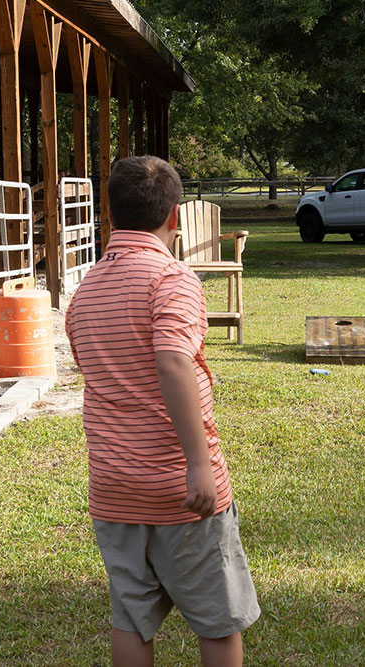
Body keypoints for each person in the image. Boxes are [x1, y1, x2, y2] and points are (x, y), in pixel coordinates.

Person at [65, 155, 260, 667]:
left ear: (109, 215)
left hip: (113, 486)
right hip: (179, 485)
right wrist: (198, 465)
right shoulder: (172, 278)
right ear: (175, 217)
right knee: (218, 619)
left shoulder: (85, 290)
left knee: (131, 618)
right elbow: (173, 361)